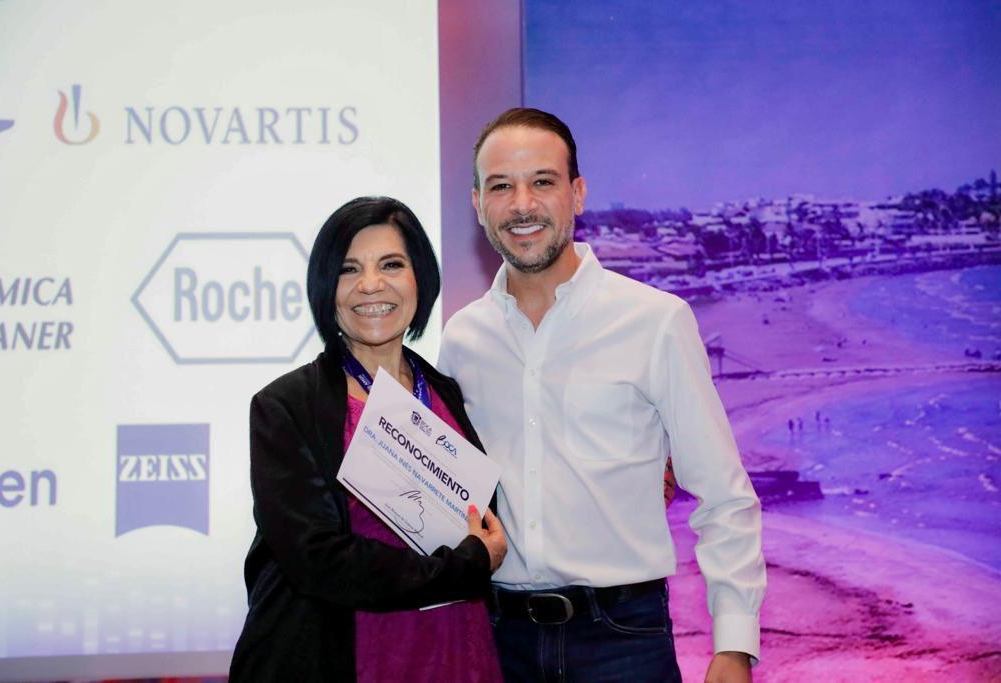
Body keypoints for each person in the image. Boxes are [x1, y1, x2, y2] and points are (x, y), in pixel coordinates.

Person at [439, 108, 766, 683]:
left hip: (623, 641)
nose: (522, 204)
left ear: (578, 194)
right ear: (477, 204)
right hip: (497, 641)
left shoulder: (655, 321)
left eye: (542, 181)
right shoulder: (462, 338)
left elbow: (723, 495)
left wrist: (734, 647)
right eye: (501, 186)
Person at [230, 196, 507, 682]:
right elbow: (317, 559)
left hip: (454, 648)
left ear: (420, 278)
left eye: (392, 264)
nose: (371, 284)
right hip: (349, 656)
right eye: (349, 269)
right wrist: (463, 568)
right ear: (326, 287)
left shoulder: (444, 392)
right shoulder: (287, 406)